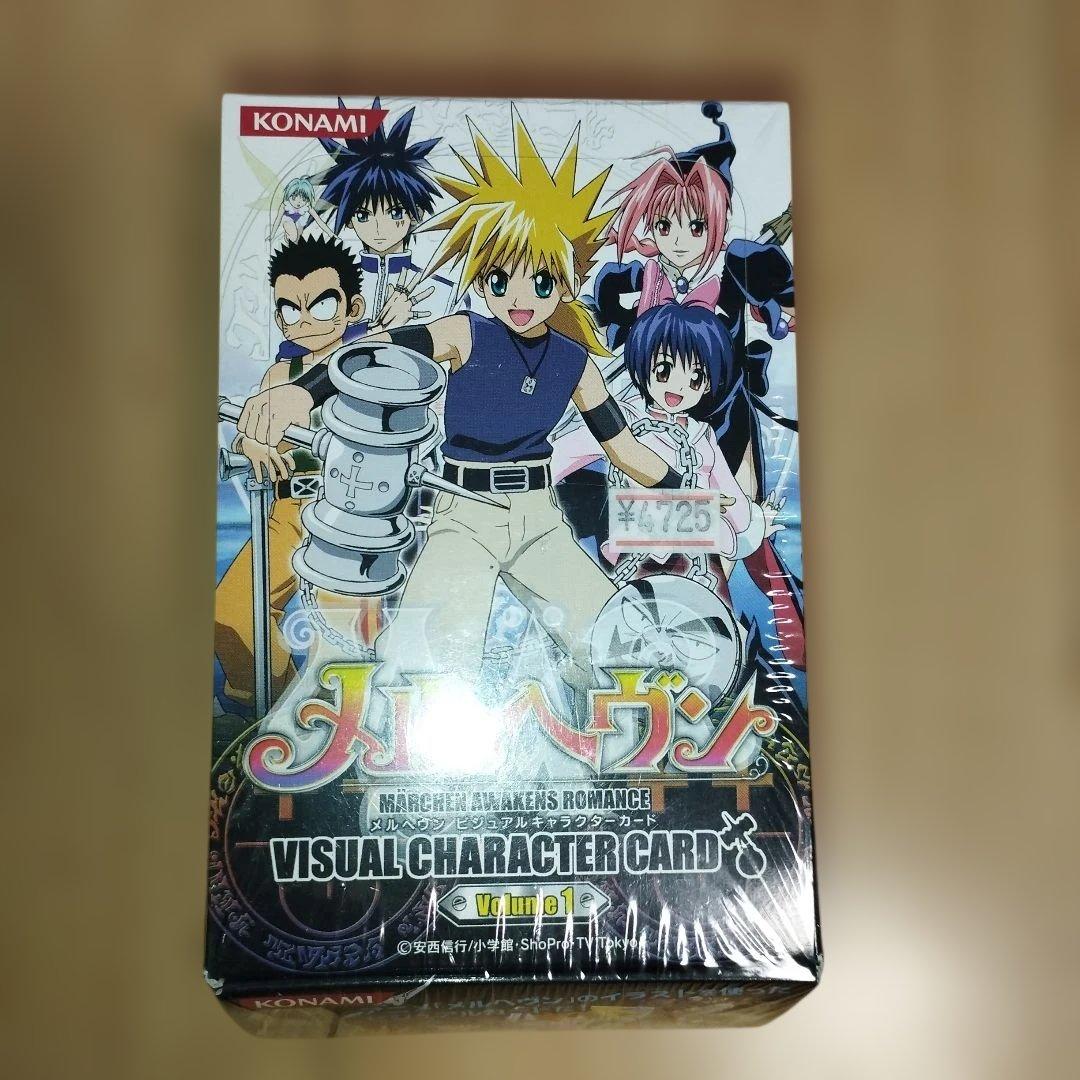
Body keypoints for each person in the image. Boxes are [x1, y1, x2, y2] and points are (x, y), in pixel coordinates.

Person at [235, 110, 693, 692]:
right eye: (501, 281)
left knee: (613, 644)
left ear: (567, 279)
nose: (519, 297)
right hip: (463, 516)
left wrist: (691, 492)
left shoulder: (576, 363)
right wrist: (304, 392)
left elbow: (624, 449)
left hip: (539, 519)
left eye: (540, 281)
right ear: (480, 279)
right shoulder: (465, 333)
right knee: (425, 662)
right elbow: (377, 348)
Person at [215, 236, 364, 707]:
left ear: (352, 308)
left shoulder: (373, 366)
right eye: (289, 309)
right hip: (289, 513)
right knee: (231, 613)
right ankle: (279, 710)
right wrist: (252, 442)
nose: (304, 320)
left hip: (353, 519)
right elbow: (247, 434)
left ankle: (336, 717)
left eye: (321, 306)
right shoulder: (280, 375)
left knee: (343, 636)